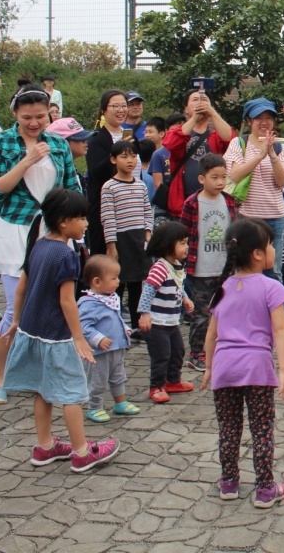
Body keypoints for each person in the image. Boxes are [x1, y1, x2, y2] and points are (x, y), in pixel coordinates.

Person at [1, 189, 120, 473]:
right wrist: (78, 337)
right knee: (71, 393)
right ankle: (81, 452)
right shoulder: (67, 254)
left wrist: (16, 320)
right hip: (57, 336)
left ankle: (44, 446)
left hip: (33, 330)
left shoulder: (39, 244)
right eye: (81, 218)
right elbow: (67, 300)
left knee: (43, 391)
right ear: (64, 222)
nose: (86, 223)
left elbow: (21, 287)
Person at [0, 84, 80, 403]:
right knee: (16, 308)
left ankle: (43, 374)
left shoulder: (56, 143)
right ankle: (0, 377)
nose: (35, 122)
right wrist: (26, 161)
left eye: (40, 116)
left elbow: (69, 186)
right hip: (15, 230)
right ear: (15, 114)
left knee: (54, 303)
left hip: (52, 233)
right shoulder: (2, 141)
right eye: (27, 117)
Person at [201, 218, 284, 509]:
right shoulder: (270, 287)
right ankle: (265, 488)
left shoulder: (223, 287)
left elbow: (212, 334)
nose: (273, 250)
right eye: (269, 245)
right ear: (257, 254)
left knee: (228, 428)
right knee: (262, 429)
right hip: (257, 368)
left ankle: (229, 482)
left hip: (225, 367)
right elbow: (280, 330)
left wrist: (208, 367)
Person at [179, 154, 238, 372]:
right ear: (202, 179)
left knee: (226, 310)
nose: (220, 182)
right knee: (202, 313)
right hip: (201, 268)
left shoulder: (229, 200)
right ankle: (197, 353)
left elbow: (234, 232)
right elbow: (183, 234)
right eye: (215, 177)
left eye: (223, 177)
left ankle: (222, 348)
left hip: (225, 268)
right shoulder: (192, 203)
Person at [225, 98, 284, 278]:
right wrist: (260, 156)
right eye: (258, 118)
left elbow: (282, 181)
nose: (264, 122)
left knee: (273, 269)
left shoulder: (279, 147)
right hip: (248, 217)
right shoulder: (238, 144)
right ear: (248, 121)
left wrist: (271, 155)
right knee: (247, 268)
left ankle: (274, 306)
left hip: (276, 217)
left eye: (269, 117)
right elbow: (234, 176)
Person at [77, 254, 140, 423]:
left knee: (118, 377)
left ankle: (120, 402)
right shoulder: (88, 303)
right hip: (98, 353)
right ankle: (95, 406)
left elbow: (116, 318)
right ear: (97, 281)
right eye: (114, 278)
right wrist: (98, 338)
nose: (118, 281)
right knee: (97, 381)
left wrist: (124, 328)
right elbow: (83, 327)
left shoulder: (111, 298)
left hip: (116, 348)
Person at [139, 221, 195, 404]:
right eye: (182, 243)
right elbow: (148, 291)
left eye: (186, 242)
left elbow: (178, 285)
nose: (186, 247)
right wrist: (144, 313)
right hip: (157, 323)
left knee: (178, 351)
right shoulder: (160, 268)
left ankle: (173, 380)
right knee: (161, 355)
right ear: (168, 245)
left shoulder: (177, 265)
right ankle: (156, 386)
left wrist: (185, 298)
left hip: (171, 322)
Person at [100, 140, 153, 331]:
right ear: (113, 160)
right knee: (118, 284)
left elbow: (148, 211)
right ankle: (115, 324)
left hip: (138, 239)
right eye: (124, 156)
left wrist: (148, 234)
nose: (129, 160)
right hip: (121, 240)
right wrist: (111, 245)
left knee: (137, 284)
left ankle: (138, 324)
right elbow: (108, 217)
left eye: (133, 156)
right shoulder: (109, 187)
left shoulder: (140, 185)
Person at [162, 86, 235, 219]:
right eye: (195, 100)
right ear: (186, 108)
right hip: (182, 201)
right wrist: (194, 119)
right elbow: (170, 143)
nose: (200, 103)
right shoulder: (179, 131)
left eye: (205, 100)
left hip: (212, 201)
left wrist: (213, 113)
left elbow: (231, 140)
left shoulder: (215, 134)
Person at [86, 90, 130, 256]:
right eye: (115, 106)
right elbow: (96, 172)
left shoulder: (129, 136)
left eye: (123, 105)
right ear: (104, 110)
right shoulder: (96, 138)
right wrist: (118, 149)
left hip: (129, 206)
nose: (121, 110)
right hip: (105, 208)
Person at [47, 117, 93, 196]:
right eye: (80, 138)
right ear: (62, 142)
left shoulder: (72, 170)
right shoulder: (56, 173)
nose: (86, 141)